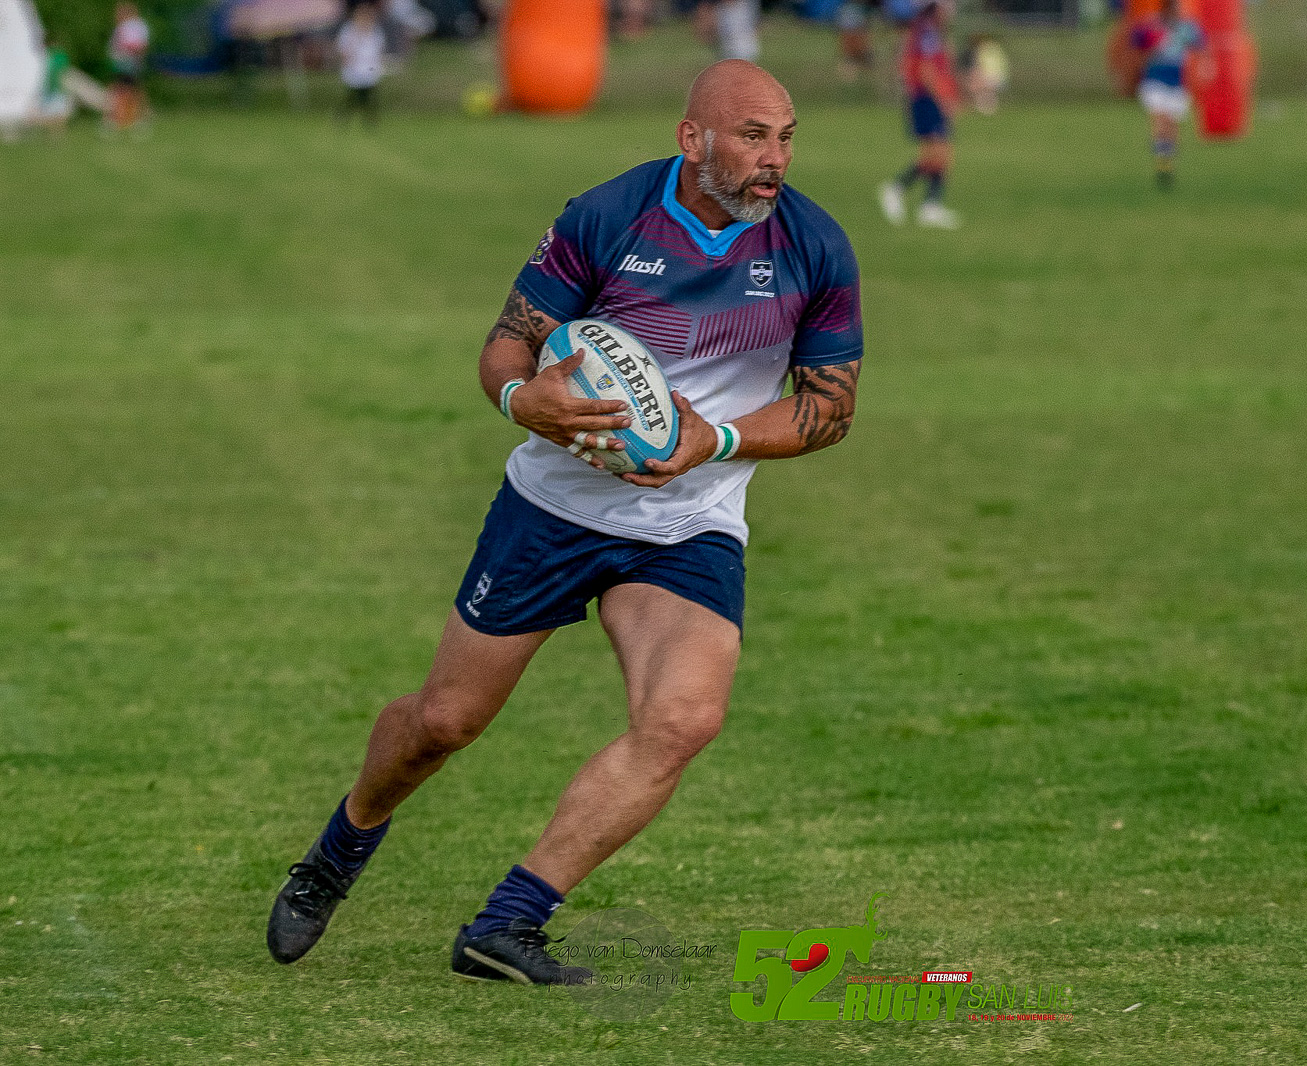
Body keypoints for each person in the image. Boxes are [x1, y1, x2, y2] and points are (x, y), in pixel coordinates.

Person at [266, 59, 865, 985]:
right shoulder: (608, 217)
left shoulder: (813, 249)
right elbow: (508, 340)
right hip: (556, 508)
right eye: (752, 137)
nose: (773, 161)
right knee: (444, 722)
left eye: (785, 138)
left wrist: (719, 439)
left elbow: (829, 407)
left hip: (690, 519)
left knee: (683, 721)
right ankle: (341, 847)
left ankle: (507, 924)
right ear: (691, 138)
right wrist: (521, 396)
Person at [877, 0, 961, 229]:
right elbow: (926, 70)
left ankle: (929, 205)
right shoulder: (927, 33)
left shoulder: (926, 31)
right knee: (937, 152)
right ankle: (898, 189)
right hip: (927, 98)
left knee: (941, 153)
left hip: (926, 98)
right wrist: (943, 99)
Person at [1130, 0, 1204, 190]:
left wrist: (1205, 66)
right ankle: (1162, 164)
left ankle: (1167, 161)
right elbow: (1135, 41)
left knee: (1172, 126)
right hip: (1155, 79)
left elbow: (1201, 45)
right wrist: (1147, 50)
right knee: (1160, 120)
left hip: (1177, 82)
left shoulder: (1186, 28)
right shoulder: (1153, 25)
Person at [336, 0, 385, 127]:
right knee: (354, 94)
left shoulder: (375, 30)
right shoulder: (349, 30)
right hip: (355, 66)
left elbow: (379, 48)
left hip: (369, 67)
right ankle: (346, 117)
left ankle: (369, 119)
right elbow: (343, 48)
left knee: (367, 94)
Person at [106, 1, 150, 134]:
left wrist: (128, 49)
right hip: (121, 63)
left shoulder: (135, 26)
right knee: (125, 89)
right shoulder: (123, 26)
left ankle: (132, 118)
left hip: (129, 62)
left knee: (128, 91)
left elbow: (139, 45)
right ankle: (126, 118)